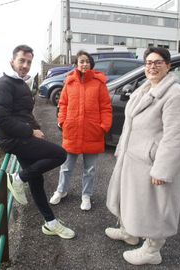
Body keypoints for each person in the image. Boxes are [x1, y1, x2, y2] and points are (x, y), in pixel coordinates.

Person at [105, 47, 180, 265]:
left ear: (168, 66)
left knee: (156, 207)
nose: (152, 67)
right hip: (133, 158)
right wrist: (121, 149)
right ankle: (129, 231)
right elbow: (130, 125)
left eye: (158, 62)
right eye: (148, 63)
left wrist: (163, 169)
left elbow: (177, 138)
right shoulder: (143, 90)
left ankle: (152, 250)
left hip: (153, 162)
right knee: (129, 197)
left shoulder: (177, 96)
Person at [0, 44, 75, 239]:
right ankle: (17, 179)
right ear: (12, 61)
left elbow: (25, 113)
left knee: (36, 179)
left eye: (28, 62)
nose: (25, 65)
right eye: (22, 60)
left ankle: (50, 223)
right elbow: (0, 119)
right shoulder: (2, 85)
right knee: (59, 154)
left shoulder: (20, 84)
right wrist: (30, 131)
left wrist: (37, 128)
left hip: (21, 136)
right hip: (13, 140)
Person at [49, 50, 112, 211]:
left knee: (89, 169)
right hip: (72, 131)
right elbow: (62, 104)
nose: (84, 64)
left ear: (91, 64)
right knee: (66, 166)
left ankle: (86, 195)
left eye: (87, 61)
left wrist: (104, 126)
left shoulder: (99, 83)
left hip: (92, 132)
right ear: (76, 64)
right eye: (81, 61)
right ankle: (61, 190)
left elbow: (106, 107)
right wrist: (62, 121)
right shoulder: (69, 83)